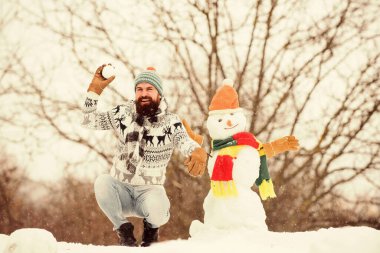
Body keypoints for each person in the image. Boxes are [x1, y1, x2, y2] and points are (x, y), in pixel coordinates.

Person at [81, 65, 207, 247]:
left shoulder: (171, 121)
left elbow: (183, 140)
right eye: (139, 89)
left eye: (149, 89)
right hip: (121, 189)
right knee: (102, 182)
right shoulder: (123, 113)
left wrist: (195, 150)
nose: (144, 93)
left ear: (159, 94)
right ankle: (124, 231)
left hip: (149, 193)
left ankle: (151, 230)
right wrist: (94, 92)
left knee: (158, 208)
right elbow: (88, 121)